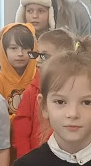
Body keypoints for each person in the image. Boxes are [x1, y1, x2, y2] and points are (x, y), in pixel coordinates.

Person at [12, 29, 75, 159]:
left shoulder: (76, 89)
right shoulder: (32, 91)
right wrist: (26, 159)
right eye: (37, 54)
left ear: (66, 58)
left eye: (44, 56)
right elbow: (21, 130)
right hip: (36, 160)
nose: (38, 60)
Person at [0, 23, 37, 118]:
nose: (20, 53)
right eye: (13, 48)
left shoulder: (40, 78)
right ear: (4, 51)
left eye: (25, 48)